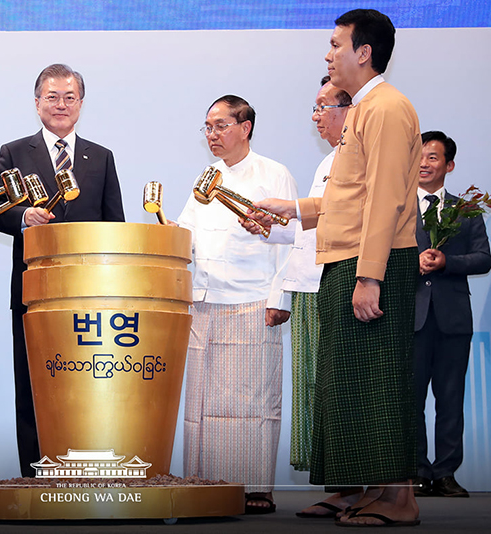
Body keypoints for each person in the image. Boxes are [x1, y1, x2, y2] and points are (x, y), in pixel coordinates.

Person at [253, 9, 423, 527]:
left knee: (379, 380)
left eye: (334, 44)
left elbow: (388, 199)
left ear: (363, 52)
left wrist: (369, 275)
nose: (327, 55)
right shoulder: (365, 110)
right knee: (350, 382)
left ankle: (400, 499)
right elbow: (350, 196)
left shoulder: (387, 107)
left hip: (375, 264)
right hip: (346, 260)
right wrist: (298, 209)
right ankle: (372, 490)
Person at [0, 63, 125, 477]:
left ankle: (87, 468)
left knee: (88, 384)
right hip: (34, 289)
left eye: (69, 97)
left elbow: (113, 225)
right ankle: (36, 474)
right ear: (37, 103)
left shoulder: (100, 157)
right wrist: (22, 216)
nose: (61, 105)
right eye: (52, 97)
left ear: (80, 103)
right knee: (33, 386)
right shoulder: (14, 152)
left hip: (89, 295)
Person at [177, 95, 297, 514]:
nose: (212, 134)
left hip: (253, 300)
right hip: (205, 301)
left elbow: (291, 239)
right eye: (208, 127)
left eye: (221, 125)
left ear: (245, 127)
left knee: (253, 400)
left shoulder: (273, 173)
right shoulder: (207, 174)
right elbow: (187, 233)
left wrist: (281, 297)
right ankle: (205, 482)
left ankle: (254, 488)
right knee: (205, 401)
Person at [412, 131, 490, 498]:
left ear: (449, 165)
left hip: (453, 320)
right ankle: (415, 471)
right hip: (409, 319)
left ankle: (445, 474)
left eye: (432, 157)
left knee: (450, 399)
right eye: (420, 156)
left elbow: (484, 258)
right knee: (409, 400)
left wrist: (447, 261)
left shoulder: (466, 210)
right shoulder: (395, 209)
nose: (424, 163)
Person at [287, 77, 351, 477]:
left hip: (339, 280)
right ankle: (334, 484)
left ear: (349, 111)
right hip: (309, 284)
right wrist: (275, 221)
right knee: (313, 388)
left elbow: (337, 213)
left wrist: (289, 207)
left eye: (322, 106)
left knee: (336, 387)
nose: (315, 117)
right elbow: (306, 228)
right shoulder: (328, 160)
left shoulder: (357, 157)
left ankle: (350, 482)